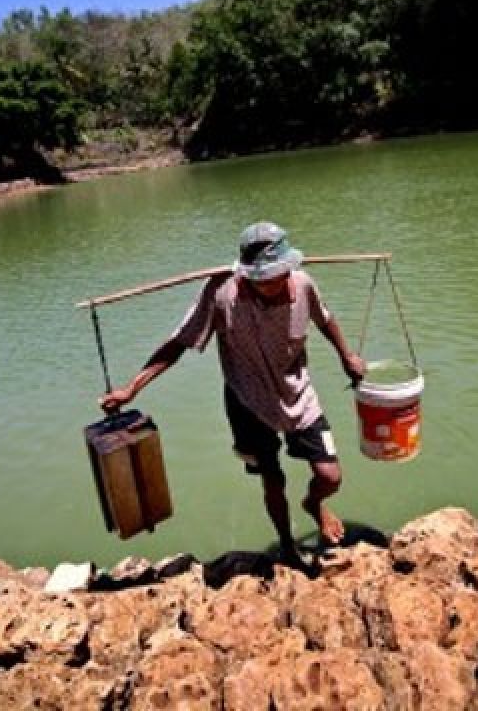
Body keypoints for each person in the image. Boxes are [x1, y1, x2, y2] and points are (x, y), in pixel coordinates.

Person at [100, 222, 365, 564]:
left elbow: (326, 319)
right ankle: (286, 544)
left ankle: (314, 503)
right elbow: (179, 342)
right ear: (248, 275)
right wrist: (131, 388)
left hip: (298, 394)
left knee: (330, 475)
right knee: (272, 477)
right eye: (265, 277)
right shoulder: (222, 293)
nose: (275, 283)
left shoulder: (303, 284)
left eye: (280, 273)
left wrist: (347, 356)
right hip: (247, 400)